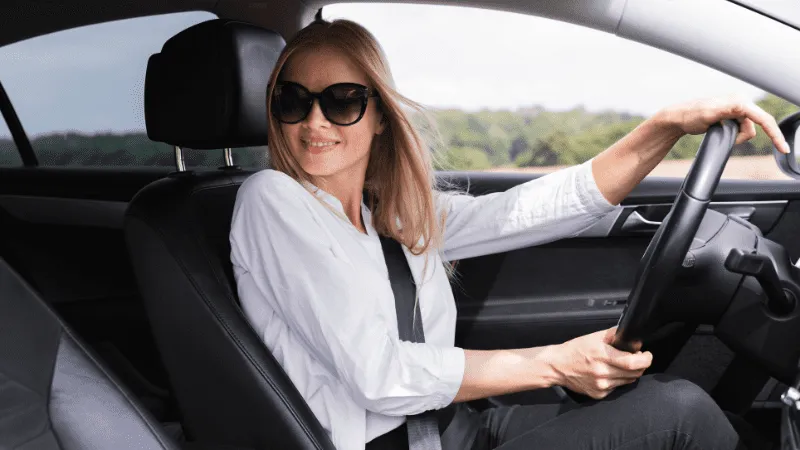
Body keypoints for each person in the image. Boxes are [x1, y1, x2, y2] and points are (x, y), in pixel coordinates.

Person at [229, 17, 791, 450]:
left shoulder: (389, 217)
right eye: (293, 101)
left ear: (379, 114)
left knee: (676, 405)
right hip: (398, 442)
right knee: (682, 413)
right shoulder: (271, 202)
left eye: (342, 100)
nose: (315, 121)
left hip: (450, 429)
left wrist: (665, 126)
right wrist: (557, 363)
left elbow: (527, 210)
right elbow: (378, 375)